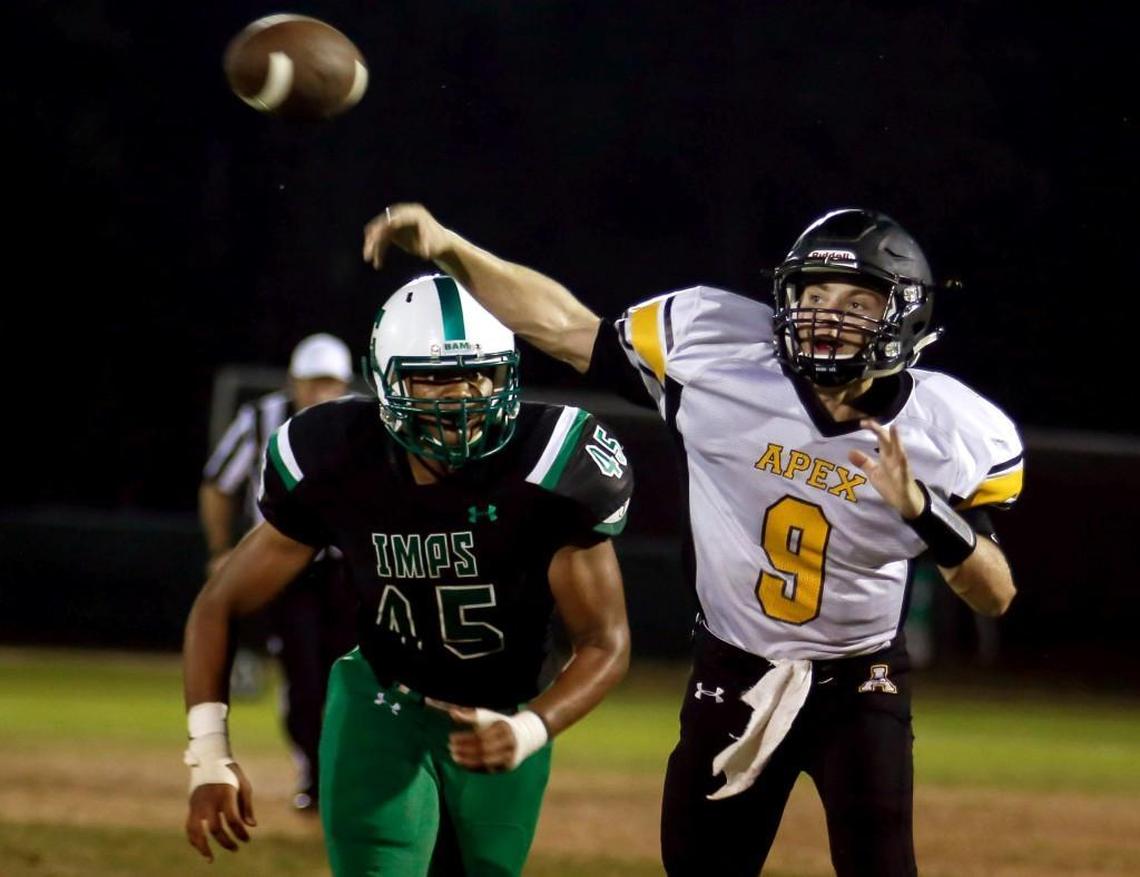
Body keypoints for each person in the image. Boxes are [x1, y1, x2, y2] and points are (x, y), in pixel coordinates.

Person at [362, 204, 1023, 876]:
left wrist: (922, 509)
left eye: (857, 301)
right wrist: (447, 247)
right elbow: (563, 326)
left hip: (860, 678)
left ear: (903, 315)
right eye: (813, 295)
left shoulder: (947, 428)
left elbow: (994, 593)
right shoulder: (718, 354)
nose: (827, 316)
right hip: (732, 666)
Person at [183, 276, 634, 876]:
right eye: (437, 377)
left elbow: (605, 641)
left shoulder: (552, 468)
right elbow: (219, 604)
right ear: (386, 382)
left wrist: (532, 727)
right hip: (381, 703)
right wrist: (208, 755)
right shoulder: (339, 456)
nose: (465, 396)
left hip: (505, 709)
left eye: (481, 374)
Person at [199, 332, 358, 812]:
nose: (319, 393)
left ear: (345, 383)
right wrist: (222, 549)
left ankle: (347, 773)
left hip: (350, 569)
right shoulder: (261, 420)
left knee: (350, 674)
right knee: (303, 674)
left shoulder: (364, 423)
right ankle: (314, 771)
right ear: (294, 382)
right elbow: (217, 483)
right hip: (283, 567)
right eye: (311, 383)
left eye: (328, 383)